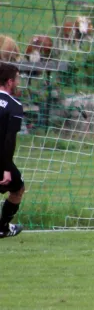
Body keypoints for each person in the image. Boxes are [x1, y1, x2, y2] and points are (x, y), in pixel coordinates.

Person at [0, 62, 25, 238]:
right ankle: (2, 227)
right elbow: (9, 140)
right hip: (1, 160)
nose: (18, 82)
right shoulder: (14, 105)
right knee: (18, 189)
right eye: (16, 79)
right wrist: (6, 168)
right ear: (9, 82)